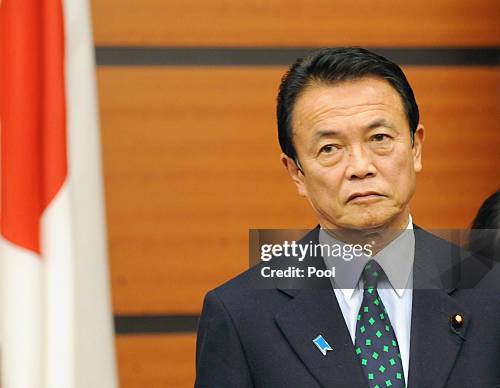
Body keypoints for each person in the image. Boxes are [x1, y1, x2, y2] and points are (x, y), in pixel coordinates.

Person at [194, 47, 499, 388]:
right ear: (296, 172)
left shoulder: (490, 290)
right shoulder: (240, 314)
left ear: (416, 148)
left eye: (379, 138)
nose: (360, 167)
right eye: (330, 148)